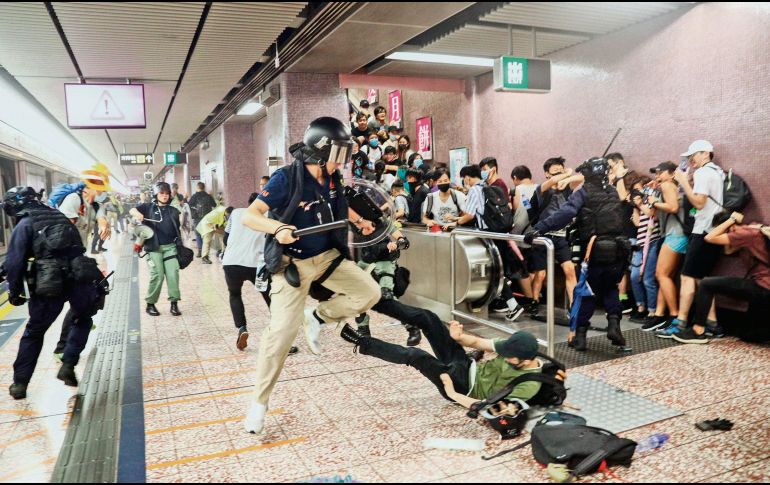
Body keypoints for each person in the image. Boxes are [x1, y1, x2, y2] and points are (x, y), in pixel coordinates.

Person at [240, 116, 381, 434]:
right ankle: (258, 404)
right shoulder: (286, 178)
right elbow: (250, 217)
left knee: (369, 293)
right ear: (321, 151)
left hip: (328, 257)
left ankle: (317, 317)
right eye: (339, 153)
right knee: (279, 337)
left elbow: (337, 203)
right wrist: (278, 228)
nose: (343, 161)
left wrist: (359, 221)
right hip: (294, 265)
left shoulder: (332, 179)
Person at [339, 299, 544, 405]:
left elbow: (487, 408)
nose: (504, 355)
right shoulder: (514, 347)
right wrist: (458, 337)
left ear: (526, 361)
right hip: (467, 365)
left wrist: (452, 393)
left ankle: (361, 342)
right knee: (430, 318)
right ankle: (376, 302)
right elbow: (477, 342)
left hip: (463, 386)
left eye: (509, 356)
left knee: (416, 355)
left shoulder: (528, 385)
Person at [4, 187, 103, 399]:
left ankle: (20, 384)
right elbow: (78, 246)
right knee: (83, 318)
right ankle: (68, 362)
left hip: (49, 283)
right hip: (78, 276)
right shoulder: (60, 215)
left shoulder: (25, 224)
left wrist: (15, 291)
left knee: (34, 332)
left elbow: (14, 262)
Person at [526, 157, 629, 351]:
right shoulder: (613, 191)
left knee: (585, 292)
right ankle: (614, 324)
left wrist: (539, 229)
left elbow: (565, 213)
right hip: (618, 249)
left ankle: (580, 336)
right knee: (610, 288)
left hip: (593, 249)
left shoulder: (584, 192)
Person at [657, 140, 725, 339]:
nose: (690, 160)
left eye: (693, 155)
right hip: (713, 231)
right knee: (704, 281)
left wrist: (684, 181)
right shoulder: (717, 172)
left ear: (705, 154)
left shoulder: (703, 173)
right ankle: (712, 324)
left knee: (687, 278)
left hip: (702, 231)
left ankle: (681, 324)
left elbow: (699, 203)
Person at [673, 212, 770, 344]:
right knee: (747, 334)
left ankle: (697, 330)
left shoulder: (745, 234)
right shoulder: (752, 230)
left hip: (763, 287)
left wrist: (730, 220)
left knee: (707, 284)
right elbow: (728, 251)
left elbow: (709, 238)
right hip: (762, 286)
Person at [455, 165, 523, 322]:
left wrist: (455, 222)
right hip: (499, 233)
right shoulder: (489, 187)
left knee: (494, 272)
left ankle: (513, 306)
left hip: (487, 235)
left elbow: (470, 215)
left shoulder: (474, 190)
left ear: (467, 177)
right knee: (497, 270)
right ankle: (507, 303)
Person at [527, 157, 579, 316]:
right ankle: (534, 301)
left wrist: (568, 177)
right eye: (555, 172)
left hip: (561, 236)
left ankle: (573, 305)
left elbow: (581, 178)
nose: (559, 174)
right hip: (543, 236)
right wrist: (567, 172)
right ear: (546, 174)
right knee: (541, 273)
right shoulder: (541, 189)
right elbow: (555, 180)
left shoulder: (568, 188)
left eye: (561, 170)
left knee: (570, 269)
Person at [643, 162, 688, 331]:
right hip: (673, 234)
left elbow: (673, 207)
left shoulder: (669, 185)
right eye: (656, 173)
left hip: (675, 234)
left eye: (661, 172)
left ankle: (674, 316)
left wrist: (655, 201)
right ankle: (661, 315)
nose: (658, 176)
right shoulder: (666, 187)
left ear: (671, 174)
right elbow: (652, 213)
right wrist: (652, 195)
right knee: (665, 276)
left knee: (661, 274)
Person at [129, 182, 183, 317]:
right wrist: (138, 214)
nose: (165, 196)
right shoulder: (148, 207)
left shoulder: (173, 210)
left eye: (167, 193)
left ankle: (174, 303)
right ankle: (150, 304)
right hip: (153, 248)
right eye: (162, 193)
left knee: (173, 275)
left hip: (171, 248)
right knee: (157, 275)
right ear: (156, 194)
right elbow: (132, 210)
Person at [188, 182, 217, 258]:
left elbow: (188, 205)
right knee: (206, 235)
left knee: (198, 234)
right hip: (207, 218)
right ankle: (205, 252)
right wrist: (212, 196)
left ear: (197, 187)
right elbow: (214, 205)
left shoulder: (194, 196)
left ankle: (200, 251)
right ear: (204, 188)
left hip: (197, 218)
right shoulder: (208, 196)